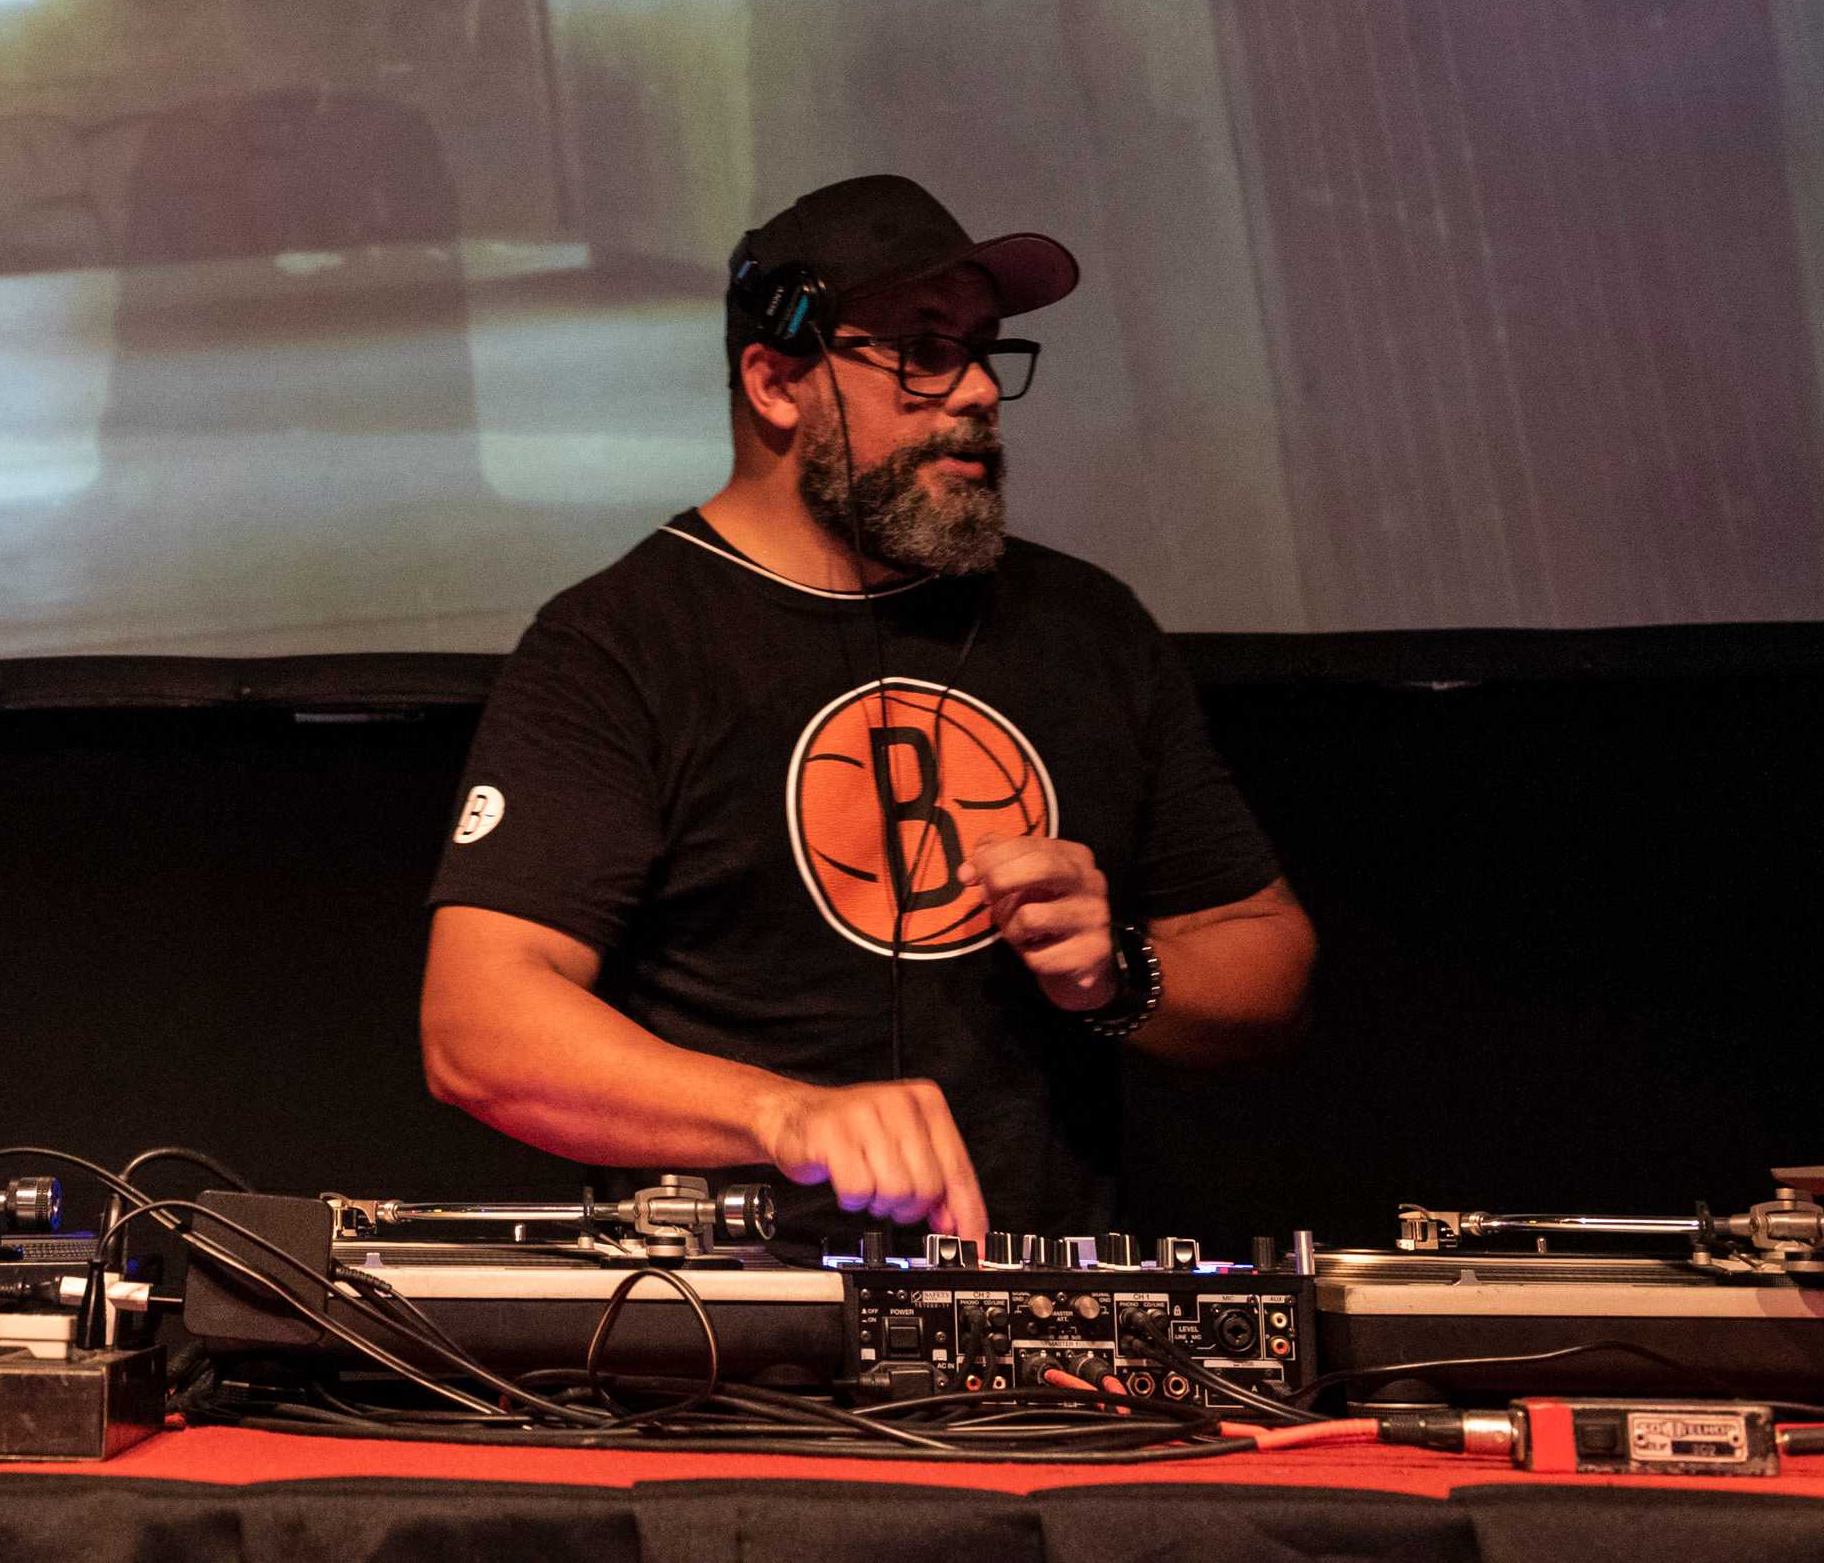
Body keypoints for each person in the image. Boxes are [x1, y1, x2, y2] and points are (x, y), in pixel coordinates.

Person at [419, 176, 1314, 1245]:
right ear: (776, 383)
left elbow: (1265, 955)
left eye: (981, 348)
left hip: (1045, 1323)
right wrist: (786, 1115)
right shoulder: (618, 644)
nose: (978, 389)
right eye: (922, 351)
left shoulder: (1087, 626)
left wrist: (1119, 973)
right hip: (724, 1326)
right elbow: (476, 1029)